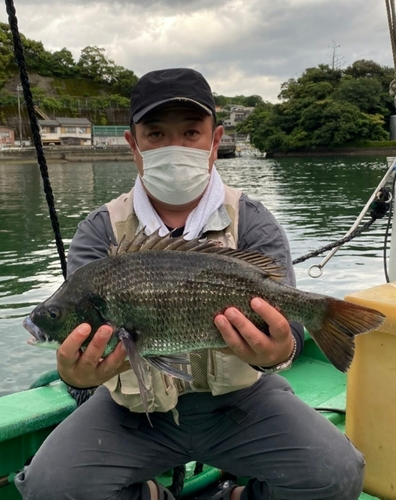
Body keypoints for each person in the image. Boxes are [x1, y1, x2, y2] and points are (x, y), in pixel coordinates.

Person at [15, 68, 365, 500]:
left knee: (337, 474)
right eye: (156, 134)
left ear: (215, 141)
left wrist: (281, 350)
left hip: (241, 402)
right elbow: (80, 339)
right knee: (50, 488)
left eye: (191, 132)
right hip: (134, 410)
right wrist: (77, 377)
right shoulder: (99, 229)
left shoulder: (254, 220)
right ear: (133, 143)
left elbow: (288, 334)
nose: (174, 146)